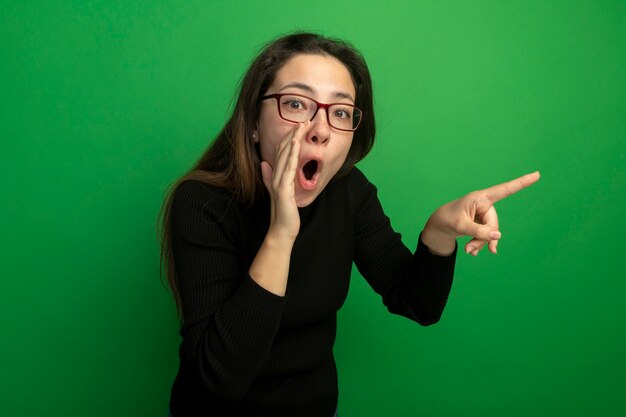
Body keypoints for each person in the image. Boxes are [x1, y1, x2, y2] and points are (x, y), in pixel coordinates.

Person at [159, 32, 540, 417]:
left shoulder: (348, 192)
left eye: (340, 112)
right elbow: (221, 379)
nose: (319, 129)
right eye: (295, 103)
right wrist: (281, 234)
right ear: (254, 123)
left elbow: (417, 304)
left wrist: (439, 231)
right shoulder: (201, 203)